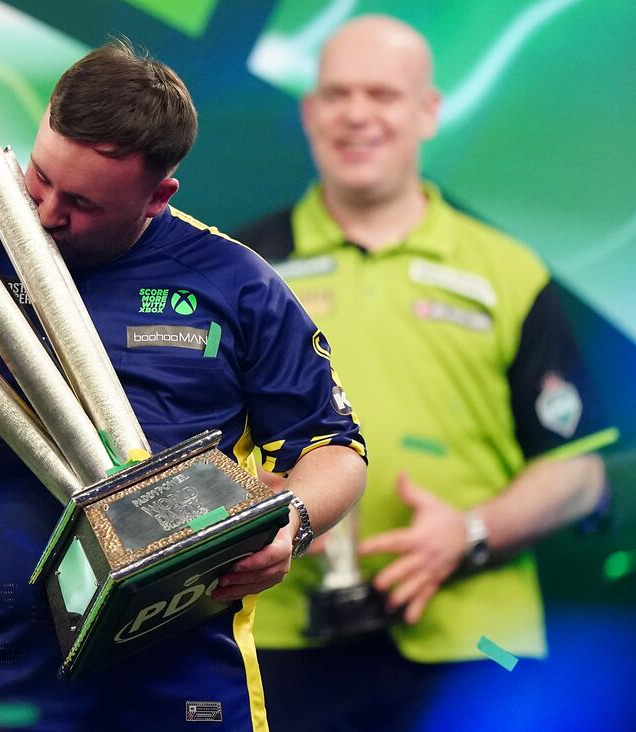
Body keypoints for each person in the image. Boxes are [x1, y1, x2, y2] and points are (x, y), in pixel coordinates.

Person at [0, 39, 367, 732]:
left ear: (158, 195)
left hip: (180, 688)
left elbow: (336, 449)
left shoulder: (237, 284)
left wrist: (291, 524)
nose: (46, 213)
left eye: (82, 202)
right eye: (37, 179)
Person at [238, 14, 616, 732]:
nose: (357, 115)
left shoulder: (508, 271)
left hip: (477, 644)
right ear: (310, 112)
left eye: (382, 94)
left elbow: (579, 474)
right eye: (338, 94)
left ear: (428, 111)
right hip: (281, 637)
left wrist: (471, 533)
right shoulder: (241, 269)